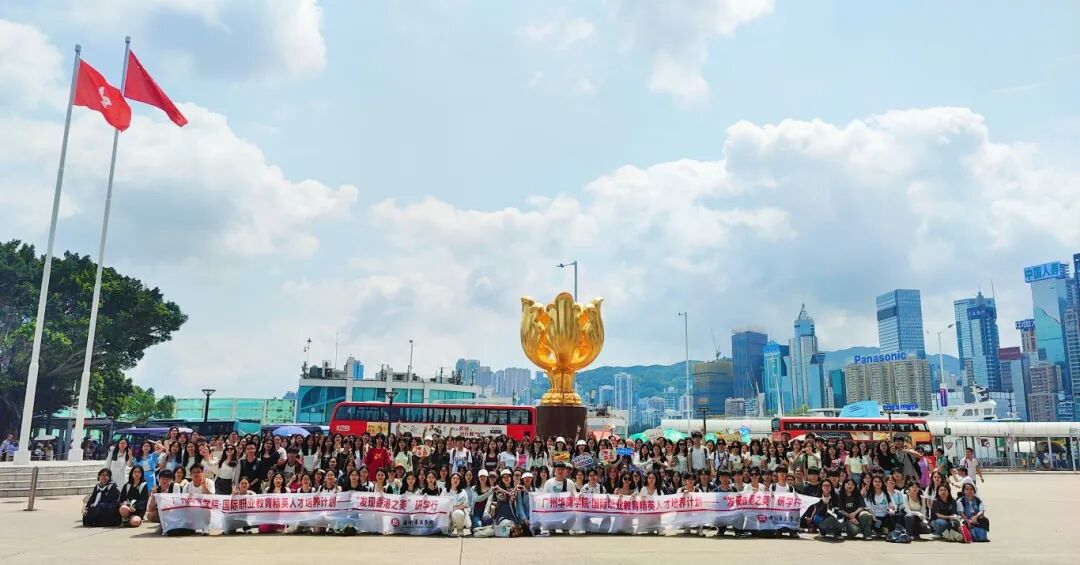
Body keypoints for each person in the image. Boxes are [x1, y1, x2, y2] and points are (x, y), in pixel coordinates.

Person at [446, 472, 470, 537]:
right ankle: (449, 530)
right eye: (454, 478)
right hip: (448, 513)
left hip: (457, 512)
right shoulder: (445, 491)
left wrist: (454, 508)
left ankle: (460, 530)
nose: (455, 480)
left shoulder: (463, 491)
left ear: (460, 481)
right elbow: (442, 503)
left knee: (458, 513)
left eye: (458, 479)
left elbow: (465, 504)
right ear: (450, 480)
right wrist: (455, 507)